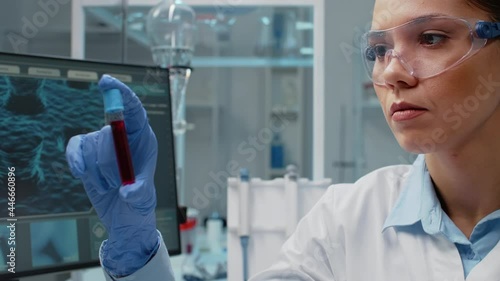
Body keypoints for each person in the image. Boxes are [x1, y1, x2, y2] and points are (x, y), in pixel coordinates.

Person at [65, 0, 500, 279]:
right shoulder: (347, 219)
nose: (390, 73)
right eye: (378, 51)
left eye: (430, 37)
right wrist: (138, 255)